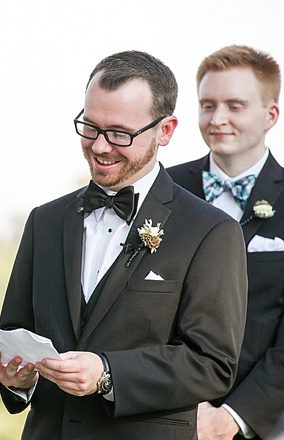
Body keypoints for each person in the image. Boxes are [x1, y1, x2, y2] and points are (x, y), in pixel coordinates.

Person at [0, 50, 248, 439]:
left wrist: (108, 374)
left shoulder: (211, 233)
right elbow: (16, 332)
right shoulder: (45, 221)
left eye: (119, 133)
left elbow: (212, 365)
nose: (99, 146)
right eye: (90, 127)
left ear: (166, 130)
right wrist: (16, 379)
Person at [168, 45, 284, 440]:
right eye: (207, 105)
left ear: (271, 115)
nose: (218, 119)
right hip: (161, 415)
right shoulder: (163, 191)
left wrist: (231, 418)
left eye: (235, 106)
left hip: (261, 424)